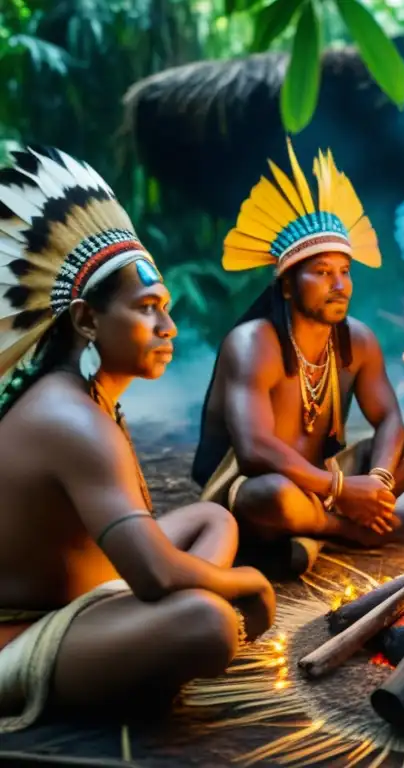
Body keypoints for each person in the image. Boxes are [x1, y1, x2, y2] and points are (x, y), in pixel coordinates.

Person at [0, 145, 275, 731]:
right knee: (206, 622)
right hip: (18, 633)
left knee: (214, 521)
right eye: (148, 308)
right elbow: (152, 573)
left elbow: (149, 562)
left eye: (166, 308)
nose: (168, 327)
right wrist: (244, 580)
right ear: (86, 320)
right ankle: (131, 662)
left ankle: (131, 652)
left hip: (81, 591)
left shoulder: (88, 398)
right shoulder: (69, 418)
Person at [192, 140, 404, 575]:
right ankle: (342, 530)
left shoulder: (359, 340)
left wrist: (376, 482)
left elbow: (390, 418)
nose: (340, 284)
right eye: (321, 273)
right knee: (274, 496)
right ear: (286, 285)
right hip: (256, 486)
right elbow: (255, 449)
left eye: (344, 271)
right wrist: (342, 492)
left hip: (322, 480)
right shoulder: (253, 343)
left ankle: (313, 534)